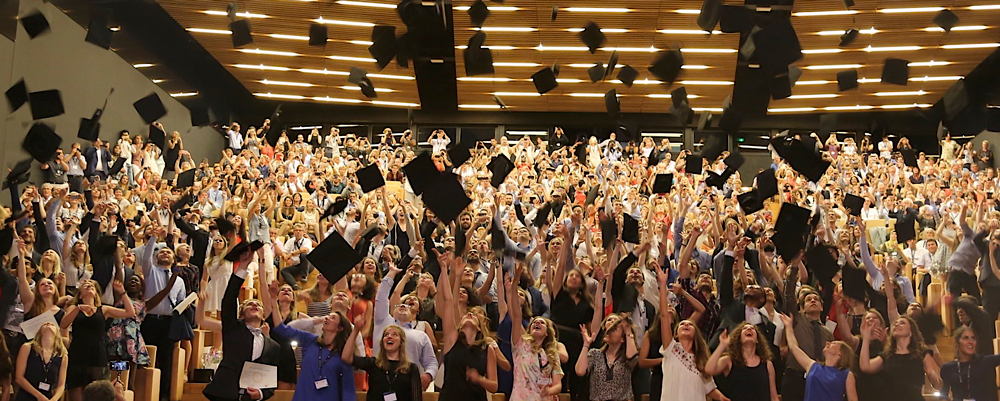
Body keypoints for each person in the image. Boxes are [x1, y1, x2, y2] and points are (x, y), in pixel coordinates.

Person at [202, 250, 280, 401]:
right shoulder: (233, 327)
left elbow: (271, 377)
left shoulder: (274, 346)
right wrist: (243, 267)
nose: (254, 305)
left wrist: (262, 394)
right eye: (249, 304)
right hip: (224, 394)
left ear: (263, 316)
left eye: (258, 305)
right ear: (242, 314)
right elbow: (229, 299)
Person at [59, 279, 135, 401]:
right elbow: (63, 324)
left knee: (99, 396)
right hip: (77, 356)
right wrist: (78, 308)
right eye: (86, 285)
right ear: (80, 294)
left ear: (96, 294)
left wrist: (122, 293)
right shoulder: (73, 307)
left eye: (92, 286)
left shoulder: (103, 310)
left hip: (97, 356)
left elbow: (130, 312)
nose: (89, 286)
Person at [657, 267, 719, 401]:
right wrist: (663, 285)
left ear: (696, 333)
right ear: (676, 334)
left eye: (690, 324)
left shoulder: (702, 360)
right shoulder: (671, 348)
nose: (686, 324)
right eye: (682, 324)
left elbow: (712, 390)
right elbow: (663, 316)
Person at [507, 263, 563, 401]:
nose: (537, 323)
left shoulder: (552, 353)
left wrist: (549, 390)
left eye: (541, 322)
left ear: (547, 333)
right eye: (534, 322)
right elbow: (516, 315)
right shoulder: (520, 344)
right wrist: (515, 284)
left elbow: (558, 385)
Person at [859, 315, 941, 401]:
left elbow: (938, 384)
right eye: (895, 324)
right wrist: (866, 338)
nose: (897, 325)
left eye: (902, 323)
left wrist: (933, 376)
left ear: (911, 332)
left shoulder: (922, 353)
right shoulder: (888, 355)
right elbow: (865, 367)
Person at [343, 318, 421, 401]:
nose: (389, 336)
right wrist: (356, 330)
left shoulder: (411, 369)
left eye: (394, 334)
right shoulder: (373, 364)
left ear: (401, 342)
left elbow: (417, 398)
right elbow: (346, 357)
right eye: (386, 335)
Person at [705, 322, 778, 401]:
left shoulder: (767, 364)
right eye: (744, 329)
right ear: (739, 339)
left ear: (757, 340)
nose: (749, 329)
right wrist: (722, 345)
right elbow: (709, 369)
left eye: (752, 329)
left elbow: (774, 397)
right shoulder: (729, 361)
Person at [939, 326, 1000, 401]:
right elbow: (943, 395)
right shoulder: (947, 368)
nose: (970, 342)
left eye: (973, 338)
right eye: (965, 338)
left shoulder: (984, 361)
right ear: (957, 342)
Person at [13, 322, 67, 401]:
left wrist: (54, 399)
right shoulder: (27, 348)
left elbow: (61, 384)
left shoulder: (62, 356)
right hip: (27, 395)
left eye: (52, 325)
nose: (48, 324)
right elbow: (19, 378)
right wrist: (39, 396)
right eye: (45, 324)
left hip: (48, 396)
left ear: (57, 333)